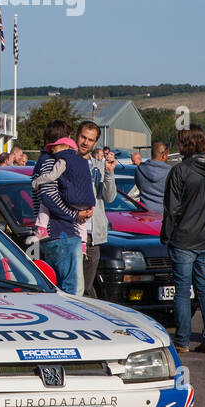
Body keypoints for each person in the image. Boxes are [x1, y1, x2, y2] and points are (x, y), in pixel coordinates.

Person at [162, 128, 205, 353]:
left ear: (187, 145)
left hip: (183, 238)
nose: (178, 147)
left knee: (182, 290)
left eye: (181, 143)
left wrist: (166, 234)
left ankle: (182, 341)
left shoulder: (180, 170)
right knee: (204, 289)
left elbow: (171, 209)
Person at [31, 121, 95, 295]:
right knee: (73, 289)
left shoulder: (50, 160)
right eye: (68, 137)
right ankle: (72, 322)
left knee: (60, 287)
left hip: (59, 235)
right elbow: (49, 195)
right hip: (60, 233)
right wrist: (75, 214)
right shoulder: (50, 161)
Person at [77, 121, 117, 298]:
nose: (85, 142)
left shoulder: (98, 166)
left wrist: (108, 173)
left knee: (86, 286)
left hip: (93, 236)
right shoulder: (67, 162)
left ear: (95, 143)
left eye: (90, 140)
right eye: (83, 137)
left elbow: (109, 197)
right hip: (72, 233)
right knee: (73, 286)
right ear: (76, 136)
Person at [135, 141, 171, 214]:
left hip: (144, 212)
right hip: (163, 213)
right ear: (164, 155)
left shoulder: (139, 169)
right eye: (167, 155)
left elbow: (139, 186)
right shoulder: (170, 171)